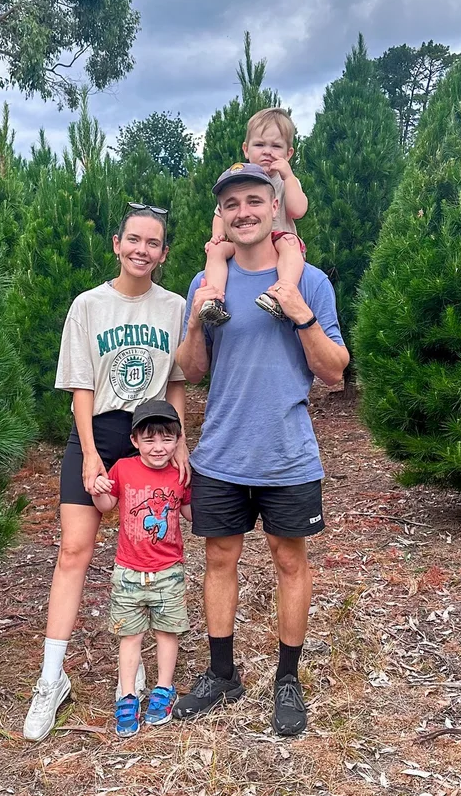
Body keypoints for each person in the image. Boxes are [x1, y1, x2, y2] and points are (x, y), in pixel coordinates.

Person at [173, 162, 351, 737]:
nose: (244, 211)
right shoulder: (207, 284)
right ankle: (223, 673)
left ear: (275, 207)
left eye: (255, 200)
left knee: (288, 561)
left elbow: (335, 374)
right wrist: (198, 325)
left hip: (287, 453)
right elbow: (193, 371)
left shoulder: (312, 281)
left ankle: (287, 679)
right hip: (221, 453)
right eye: (232, 204)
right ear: (221, 217)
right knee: (219, 560)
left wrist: (299, 312)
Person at [23, 204, 189, 743]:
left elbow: (179, 382)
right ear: (117, 243)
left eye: (154, 243)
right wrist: (92, 454)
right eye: (133, 239)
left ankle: (136, 659)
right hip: (98, 433)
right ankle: (52, 678)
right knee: (75, 551)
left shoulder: (176, 308)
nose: (142, 250)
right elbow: (81, 388)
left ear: (164, 254)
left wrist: (181, 441)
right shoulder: (88, 305)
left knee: (145, 548)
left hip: (154, 438)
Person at [91, 399, 192, 736]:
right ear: (134, 441)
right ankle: (129, 695)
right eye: (149, 440)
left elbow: (192, 514)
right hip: (129, 572)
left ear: (178, 440)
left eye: (166, 439)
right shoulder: (123, 468)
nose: (158, 447)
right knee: (129, 635)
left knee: (167, 632)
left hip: (169, 570)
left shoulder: (181, 474)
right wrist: (97, 488)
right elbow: (107, 505)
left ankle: (164, 689)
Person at [199, 108, 308, 326]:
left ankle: (281, 292)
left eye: (276, 146)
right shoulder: (236, 182)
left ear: (288, 154)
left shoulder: (287, 181)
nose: (268, 152)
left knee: (290, 244)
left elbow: (298, 211)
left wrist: (288, 176)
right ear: (246, 150)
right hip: (244, 244)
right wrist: (217, 236)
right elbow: (220, 213)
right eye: (260, 145)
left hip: (279, 240)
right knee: (216, 250)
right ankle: (214, 300)